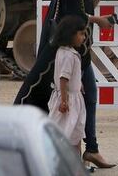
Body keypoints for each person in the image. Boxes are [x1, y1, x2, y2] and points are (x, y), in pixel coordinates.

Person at [14, 0, 118, 169]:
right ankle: (80, 152)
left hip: (79, 53)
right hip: (69, 55)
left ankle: (89, 149)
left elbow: (85, 8)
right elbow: (72, 16)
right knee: (76, 101)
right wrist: (99, 21)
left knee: (87, 98)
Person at [48, 16, 88, 154]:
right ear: (70, 34)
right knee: (67, 134)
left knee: (75, 134)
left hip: (72, 99)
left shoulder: (64, 52)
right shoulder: (68, 55)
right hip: (68, 102)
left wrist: (79, 83)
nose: (83, 37)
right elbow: (63, 78)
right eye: (81, 34)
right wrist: (64, 101)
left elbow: (70, 76)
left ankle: (75, 167)